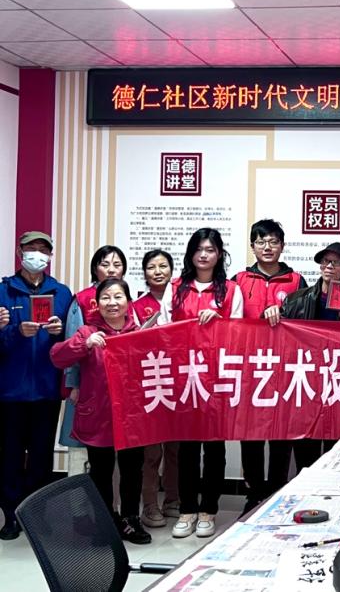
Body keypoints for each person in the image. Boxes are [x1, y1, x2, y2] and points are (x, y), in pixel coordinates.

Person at [50, 277, 150, 544]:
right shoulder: (87, 331)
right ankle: (105, 522)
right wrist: (84, 344)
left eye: (118, 297)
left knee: (132, 470)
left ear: (128, 302)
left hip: (132, 416)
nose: (112, 303)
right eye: (106, 297)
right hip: (98, 415)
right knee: (101, 473)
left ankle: (131, 520)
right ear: (97, 303)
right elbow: (57, 356)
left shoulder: (140, 331)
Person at [160, 228, 242, 540]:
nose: (204, 255)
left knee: (215, 447)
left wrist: (221, 323)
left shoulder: (230, 290)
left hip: (217, 377)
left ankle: (209, 509)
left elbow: (239, 334)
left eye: (210, 249)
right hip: (185, 376)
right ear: (190, 254)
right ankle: (187, 509)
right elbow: (164, 330)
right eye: (198, 249)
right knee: (187, 448)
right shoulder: (176, 287)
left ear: (219, 254)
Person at [0, 231, 73, 540]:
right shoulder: (3, 291)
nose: (37, 254)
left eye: (44, 249)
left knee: (41, 455)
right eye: (31, 248)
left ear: (50, 256)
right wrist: (14, 331)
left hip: (46, 388)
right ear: (20, 253)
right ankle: (10, 515)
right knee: (9, 455)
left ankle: (37, 516)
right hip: (10, 390)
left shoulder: (62, 293)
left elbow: (71, 343)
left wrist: (59, 332)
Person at [234, 219, 307, 514]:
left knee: (281, 436)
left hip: (284, 370)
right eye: (261, 241)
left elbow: (305, 323)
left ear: (282, 246)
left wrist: (285, 311)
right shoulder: (239, 280)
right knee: (250, 435)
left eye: (273, 241)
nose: (267, 247)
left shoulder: (296, 281)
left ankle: (276, 493)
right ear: (252, 246)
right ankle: (253, 495)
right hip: (249, 368)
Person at [281, 241, 340, 469]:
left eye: (336, 263)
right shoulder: (296, 299)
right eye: (326, 261)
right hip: (306, 381)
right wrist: (269, 312)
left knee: (335, 449)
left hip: (339, 382)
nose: (329, 266)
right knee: (306, 450)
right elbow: (281, 339)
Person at [58, 246, 134, 472]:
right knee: (86, 449)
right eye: (105, 264)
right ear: (95, 268)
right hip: (89, 386)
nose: (111, 269)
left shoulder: (128, 299)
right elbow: (71, 343)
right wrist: (74, 384)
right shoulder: (82, 299)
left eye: (117, 264)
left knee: (123, 455)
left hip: (122, 391)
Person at [135, 249, 180, 529]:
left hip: (179, 381)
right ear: (144, 272)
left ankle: (173, 499)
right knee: (151, 452)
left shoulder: (181, 299)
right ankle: (150, 504)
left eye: (163, 266)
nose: (158, 271)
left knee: (176, 448)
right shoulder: (137, 305)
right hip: (151, 381)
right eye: (152, 267)